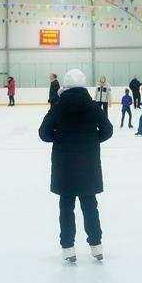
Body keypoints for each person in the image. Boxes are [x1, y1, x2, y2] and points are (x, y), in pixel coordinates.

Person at [38, 69, 113, 263]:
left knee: (66, 207)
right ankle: (96, 246)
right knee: (90, 206)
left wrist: (61, 139)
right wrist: (91, 140)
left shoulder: (58, 106)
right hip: (88, 165)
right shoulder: (93, 106)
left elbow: (44, 133)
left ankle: (68, 249)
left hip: (65, 167)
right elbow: (108, 130)